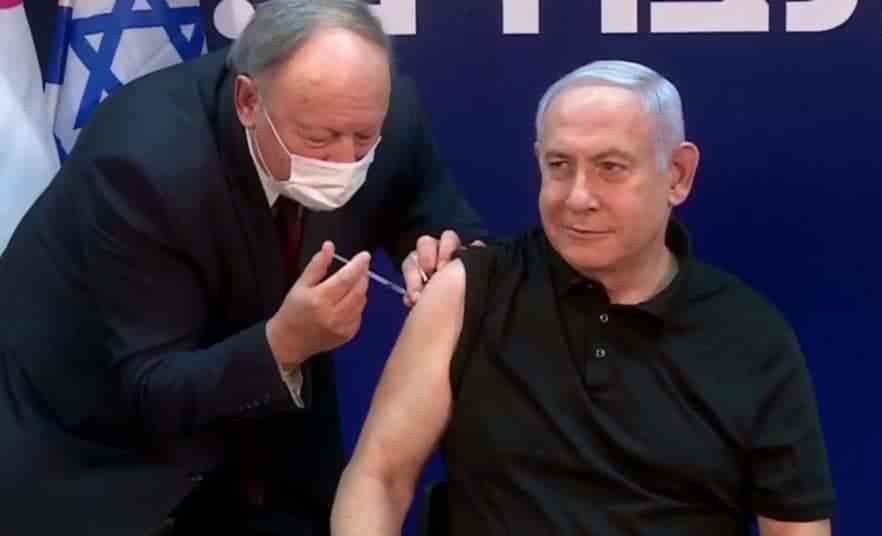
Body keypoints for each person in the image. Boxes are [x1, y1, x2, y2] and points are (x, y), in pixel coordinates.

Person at [0, 1, 486, 534]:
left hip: (272, 458)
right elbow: (151, 386)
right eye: (319, 140)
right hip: (108, 463)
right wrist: (283, 345)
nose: (346, 159)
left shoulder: (377, 112)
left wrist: (442, 256)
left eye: (364, 138)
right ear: (249, 101)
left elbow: (437, 217)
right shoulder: (142, 161)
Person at [332, 60, 835, 536]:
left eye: (610, 167)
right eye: (559, 165)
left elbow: (796, 525)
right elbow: (379, 477)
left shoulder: (749, 335)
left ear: (678, 175)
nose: (577, 197)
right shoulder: (469, 292)